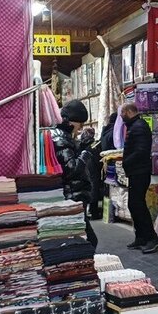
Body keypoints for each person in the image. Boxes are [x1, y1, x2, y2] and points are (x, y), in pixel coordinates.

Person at [50, 99, 98, 247]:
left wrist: (82, 146)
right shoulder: (60, 138)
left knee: (85, 240)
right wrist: (86, 152)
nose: (80, 128)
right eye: (80, 124)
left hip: (73, 195)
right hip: (72, 195)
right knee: (88, 241)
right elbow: (71, 168)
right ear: (72, 121)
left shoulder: (63, 136)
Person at [121, 103, 158, 253]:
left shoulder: (139, 126)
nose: (121, 115)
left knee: (138, 205)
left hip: (140, 171)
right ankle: (141, 237)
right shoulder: (135, 126)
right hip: (136, 171)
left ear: (130, 112)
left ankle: (151, 238)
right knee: (134, 204)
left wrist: (126, 161)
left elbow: (141, 150)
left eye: (123, 112)